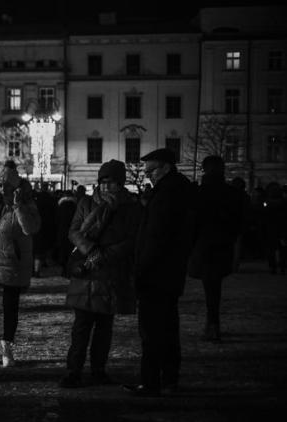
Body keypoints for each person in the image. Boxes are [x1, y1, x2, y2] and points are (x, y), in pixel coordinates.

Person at [61, 160, 141, 387]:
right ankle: (73, 370)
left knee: (104, 328)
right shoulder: (86, 203)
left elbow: (131, 239)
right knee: (81, 327)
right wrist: (91, 251)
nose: (106, 187)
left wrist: (105, 255)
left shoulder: (130, 207)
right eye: (103, 182)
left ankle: (98, 369)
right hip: (86, 273)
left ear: (121, 183)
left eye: (112, 182)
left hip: (111, 274)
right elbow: (74, 231)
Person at [127, 148, 195, 396]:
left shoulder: (168, 193)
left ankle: (153, 380)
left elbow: (156, 237)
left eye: (152, 171)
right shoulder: (173, 190)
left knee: (154, 329)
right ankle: (167, 379)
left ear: (166, 167)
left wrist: (142, 270)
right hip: (167, 273)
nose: (149, 176)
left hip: (157, 274)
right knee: (165, 328)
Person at [0, 161, 41, 367]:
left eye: (7, 185)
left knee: (10, 307)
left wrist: (18, 206)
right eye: (0, 185)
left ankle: (6, 350)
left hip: (12, 262)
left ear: (15, 186)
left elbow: (31, 229)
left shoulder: (27, 204)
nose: (2, 188)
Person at [187, 156, 245, 342]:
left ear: (204, 170)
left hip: (203, 246)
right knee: (214, 286)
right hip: (222, 245)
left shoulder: (198, 193)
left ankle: (212, 323)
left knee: (211, 286)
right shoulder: (231, 193)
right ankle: (213, 322)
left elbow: (191, 222)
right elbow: (239, 222)